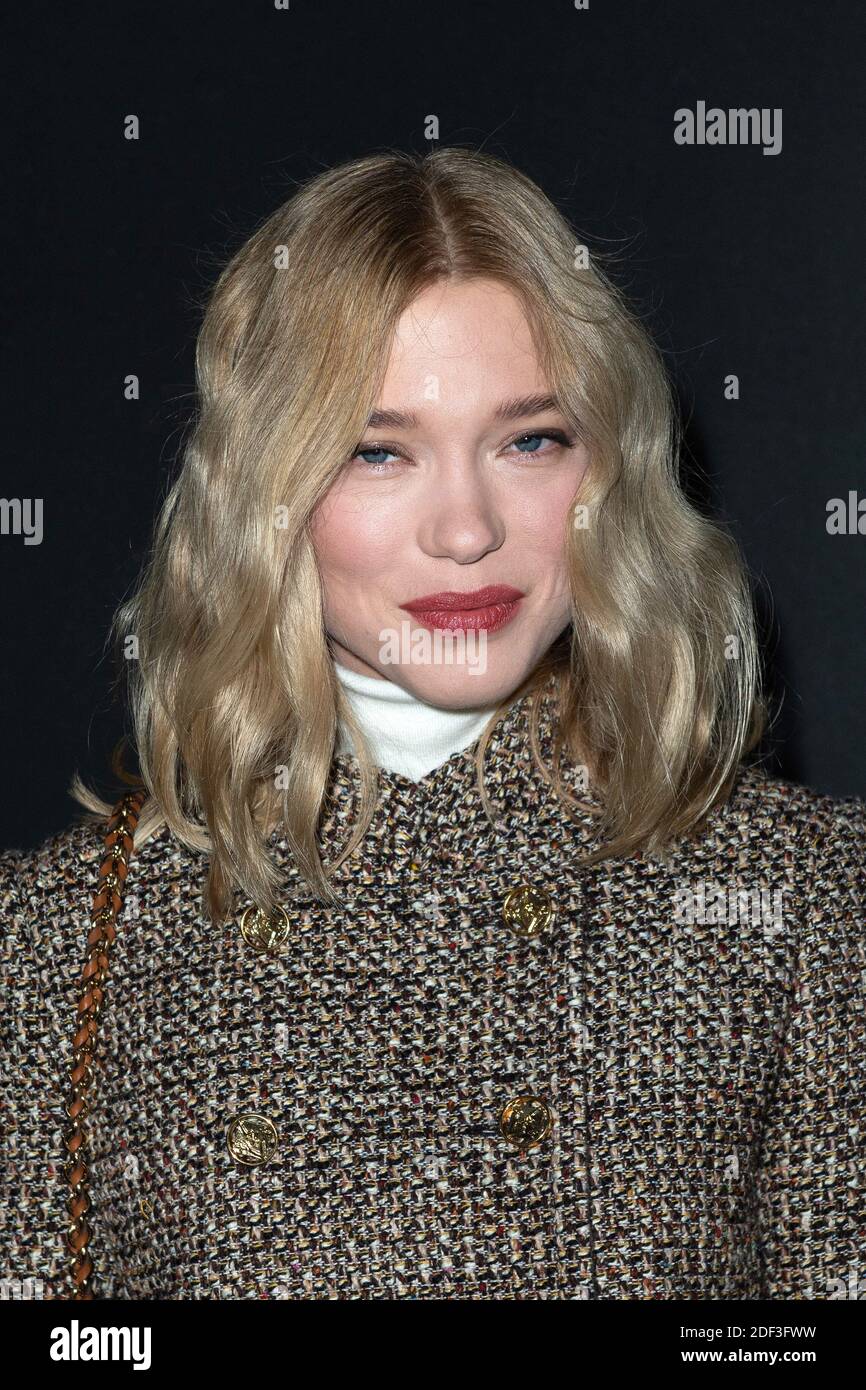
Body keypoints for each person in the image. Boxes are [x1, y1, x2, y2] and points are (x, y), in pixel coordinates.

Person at [1, 146, 863, 1302]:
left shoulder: (801, 899)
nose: (466, 530)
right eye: (377, 450)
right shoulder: (54, 944)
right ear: (266, 494)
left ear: (610, 466)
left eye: (529, 440)